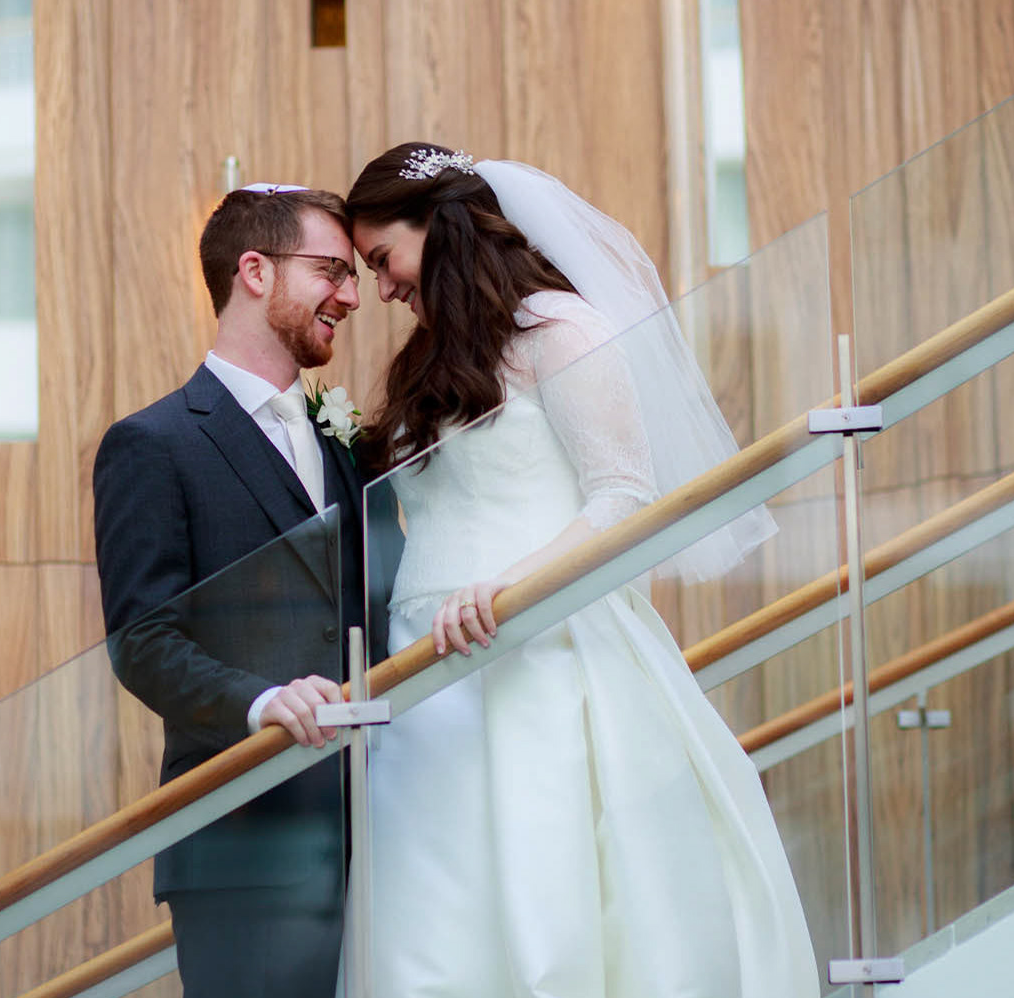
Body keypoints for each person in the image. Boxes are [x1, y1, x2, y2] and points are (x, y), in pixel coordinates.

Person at [345, 144, 819, 997]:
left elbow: (622, 495)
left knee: (553, 887)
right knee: (434, 911)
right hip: (426, 668)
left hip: (537, 640)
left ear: (440, 228)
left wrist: (512, 584)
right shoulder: (425, 361)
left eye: (383, 259)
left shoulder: (559, 329)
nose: (380, 288)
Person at [92, 183, 396, 998]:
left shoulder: (347, 442)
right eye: (331, 271)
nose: (351, 297)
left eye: (354, 276)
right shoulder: (151, 444)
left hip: (381, 833)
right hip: (241, 839)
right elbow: (142, 643)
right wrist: (262, 704)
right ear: (255, 271)